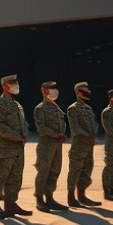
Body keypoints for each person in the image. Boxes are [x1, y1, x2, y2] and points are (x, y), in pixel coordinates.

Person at [0, 74, 32, 219]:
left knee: (16, 177)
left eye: (16, 82)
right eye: (12, 82)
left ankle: (11, 204)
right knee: (1, 176)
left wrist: (24, 134)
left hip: (19, 147)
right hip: (5, 148)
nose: (15, 84)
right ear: (4, 86)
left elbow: (24, 123)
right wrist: (16, 136)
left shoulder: (17, 105)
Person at [33, 81, 69, 212]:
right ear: (44, 91)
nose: (54, 91)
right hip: (46, 144)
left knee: (55, 171)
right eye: (51, 88)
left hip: (57, 144)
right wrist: (56, 134)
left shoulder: (56, 107)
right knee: (43, 172)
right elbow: (41, 128)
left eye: (54, 88)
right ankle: (39, 200)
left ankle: (50, 198)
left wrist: (61, 134)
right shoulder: (41, 108)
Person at [66, 82, 102, 207]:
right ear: (77, 92)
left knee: (87, 170)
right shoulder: (73, 108)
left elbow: (95, 124)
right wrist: (88, 135)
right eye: (83, 90)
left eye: (87, 89)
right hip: (79, 145)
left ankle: (82, 196)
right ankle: (71, 197)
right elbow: (75, 128)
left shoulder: (89, 108)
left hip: (89, 146)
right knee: (75, 170)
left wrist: (94, 133)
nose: (86, 92)